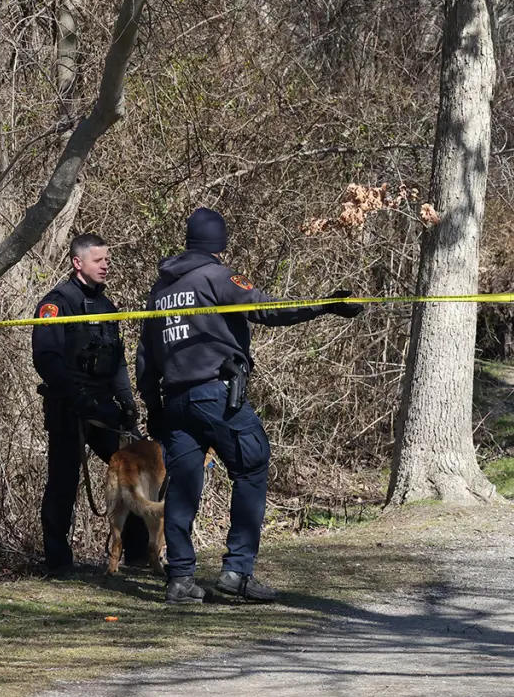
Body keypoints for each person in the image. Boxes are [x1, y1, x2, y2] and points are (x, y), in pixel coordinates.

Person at [137, 207, 360, 604]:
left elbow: (145, 359)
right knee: (252, 465)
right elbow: (266, 309)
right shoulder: (217, 277)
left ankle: (181, 578)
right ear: (219, 243)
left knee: (183, 486)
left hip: (175, 404)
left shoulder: (160, 292)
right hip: (215, 396)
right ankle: (237, 572)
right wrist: (325, 305)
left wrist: (154, 409)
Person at [33, 233, 147, 577]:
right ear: (77, 263)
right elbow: (46, 360)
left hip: (104, 408)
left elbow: (118, 361)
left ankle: (138, 555)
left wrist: (126, 401)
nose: (105, 265)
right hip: (69, 408)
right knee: (63, 484)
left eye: (107, 259)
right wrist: (79, 399)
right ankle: (58, 563)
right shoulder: (56, 304)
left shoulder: (107, 307)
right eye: (98, 260)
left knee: (135, 471)